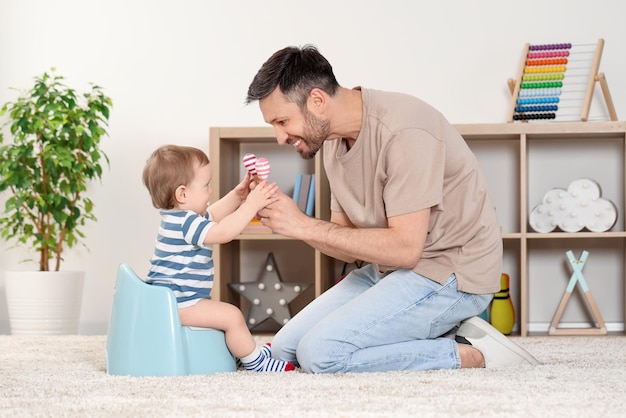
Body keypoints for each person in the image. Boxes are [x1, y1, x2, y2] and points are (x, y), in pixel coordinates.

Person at [244, 45, 540, 373]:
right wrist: (291, 223)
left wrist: (303, 225)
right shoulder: (331, 142)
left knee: (321, 355)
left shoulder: (404, 130)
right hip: (389, 270)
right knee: (286, 349)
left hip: (449, 274)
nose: (279, 137)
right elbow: (344, 244)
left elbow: (405, 249)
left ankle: (466, 353)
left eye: (282, 121)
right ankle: (416, 331)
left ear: (317, 100)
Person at [142, 144, 295, 372]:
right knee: (232, 316)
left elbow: (213, 214)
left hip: (178, 300)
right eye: (206, 186)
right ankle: (256, 363)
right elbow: (223, 233)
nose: (210, 191)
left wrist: (239, 195)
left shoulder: (181, 218)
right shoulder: (187, 223)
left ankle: (244, 351)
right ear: (182, 193)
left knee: (224, 316)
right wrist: (252, 205)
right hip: (179, 304)